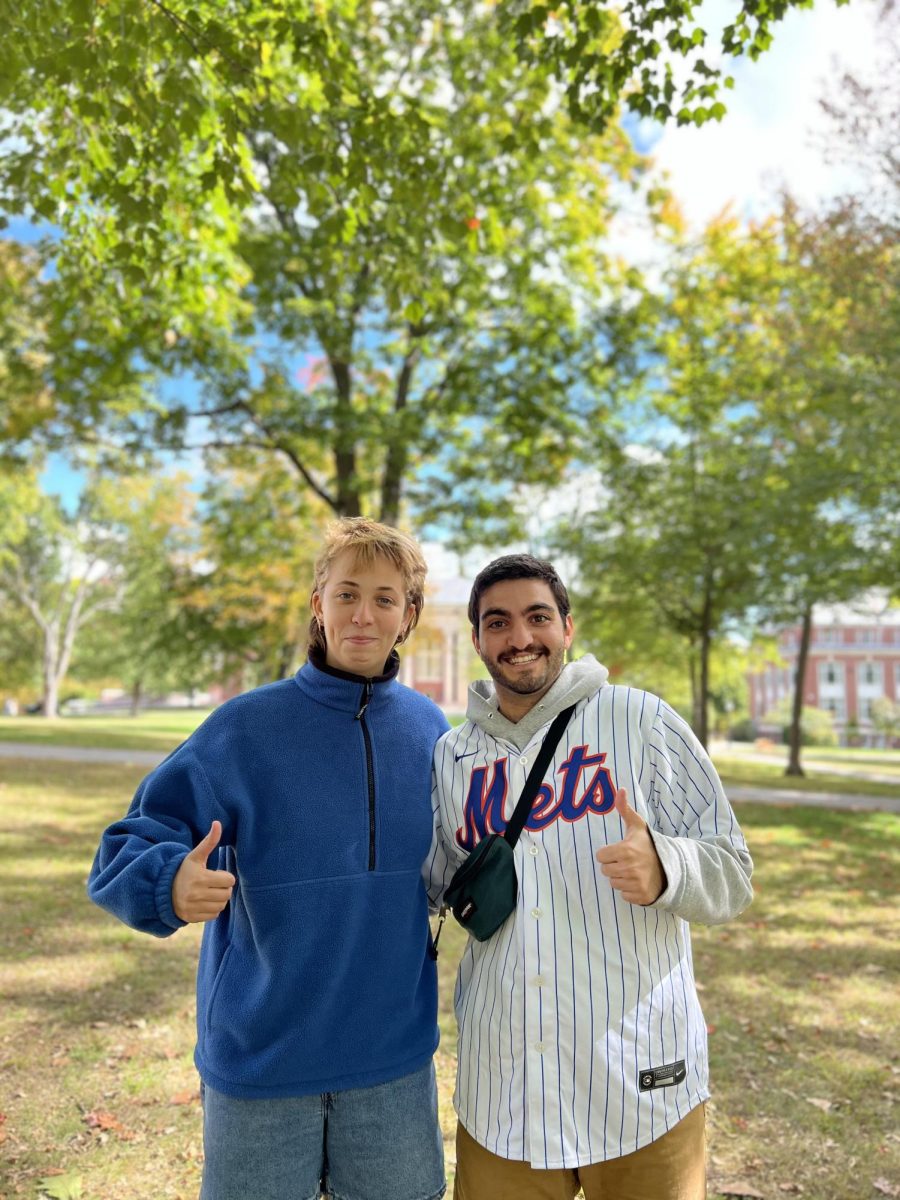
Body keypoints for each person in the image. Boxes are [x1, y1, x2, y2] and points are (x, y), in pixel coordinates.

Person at [88, 517, 450, 1200]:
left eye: (383, 597)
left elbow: (459, 857)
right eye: (345, 594)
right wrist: (169, 883)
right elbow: (127, 842)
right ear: (318, 605)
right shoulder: (244, 728)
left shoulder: (434, 732)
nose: (362, 614)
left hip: (392, 1061)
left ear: (410, 614)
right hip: (262, 1059)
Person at [425, 554, 753, 1200]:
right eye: (498, 623)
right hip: (505, 1096)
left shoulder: (640, 721)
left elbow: (733, 871)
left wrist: (668, 866)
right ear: (477, 640)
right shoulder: (454, 754)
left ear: (568, 627)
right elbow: (436, 883)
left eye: (537, 617)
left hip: (638, 1086)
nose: (519, 638)